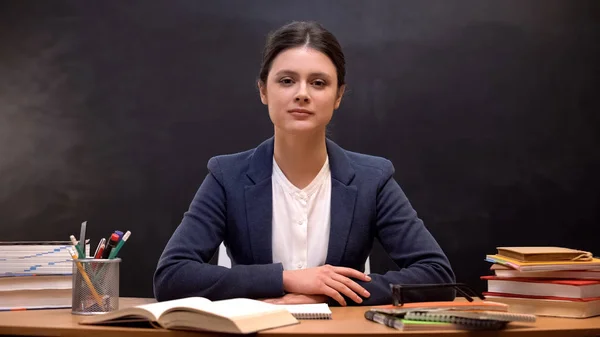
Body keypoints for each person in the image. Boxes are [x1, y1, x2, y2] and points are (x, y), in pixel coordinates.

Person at [153, 21, 455, 306]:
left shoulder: (372, 179)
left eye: (318, 83)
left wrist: (330, 292)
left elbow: (436, 275)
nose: (302, 94)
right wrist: (288, 279)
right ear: (262, 90)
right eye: (286, 81)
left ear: (338, 96)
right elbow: (172, 276)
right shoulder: (226, 176)